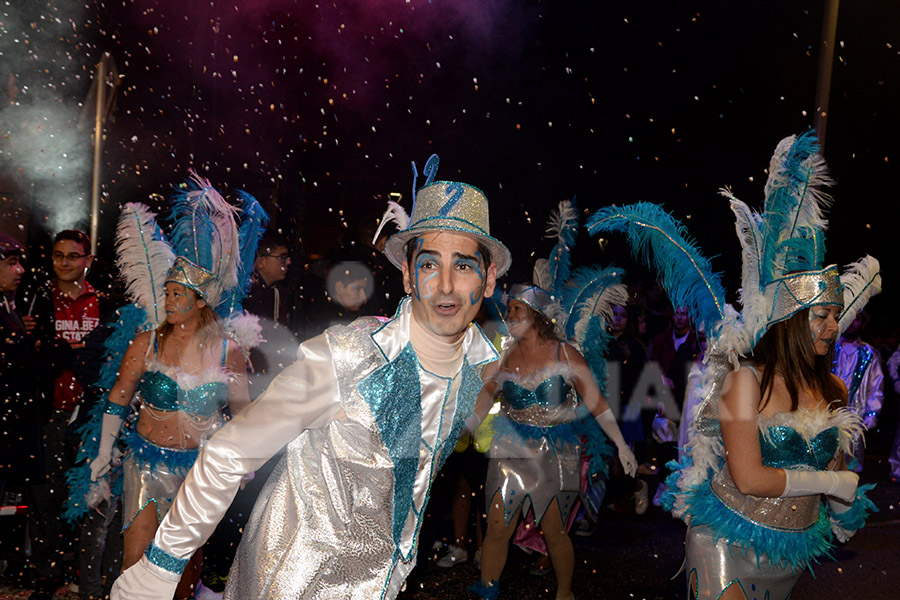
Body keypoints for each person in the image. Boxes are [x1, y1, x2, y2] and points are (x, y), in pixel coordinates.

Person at [109, 155, 512, 600]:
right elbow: (230, 452)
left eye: (465, 265)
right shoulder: (349, 357)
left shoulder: (479, 368)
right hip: (292, 583)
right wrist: (160, 566)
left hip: (382, 586)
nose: (447, 287)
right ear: (408, 275)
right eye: (431, 264)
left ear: (489, 279)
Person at [589, 133, 880, 599]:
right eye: (821, 316)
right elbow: (749, 477)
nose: (833, 327)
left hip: (792, 550)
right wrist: (833, 481)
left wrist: (845, 508)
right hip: (726, 542)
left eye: (835, 317)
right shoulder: (747, 381)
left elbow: (837, 467)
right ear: (789, 321)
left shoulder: (834, 388)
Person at [72, 175, 263, 600]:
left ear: (201, 302)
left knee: (185, 571)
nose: (171, 300)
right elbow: (118, 398)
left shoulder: (226, 350)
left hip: (200, 470)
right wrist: (102, 456)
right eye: (169, 292)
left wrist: (245, 461)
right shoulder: (147, 343)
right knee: (137, 562)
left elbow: (244, 410)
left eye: (180, 294)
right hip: (146, 465)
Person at [470, 285, 636, 600]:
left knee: (555, 532)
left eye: (517, 309)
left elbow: (597, 404)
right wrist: (464, 426)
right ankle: (488, 591)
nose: (510, 316)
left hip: (556, 452)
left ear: (538, 315)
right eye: (509, 311)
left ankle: (564, 593)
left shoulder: (565, 353)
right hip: (511, 449)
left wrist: (621, 445)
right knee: (496, 528)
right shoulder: (504, 353)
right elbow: (483, 396)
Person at [832, 310, 884, 471]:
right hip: (828, 413)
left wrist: (871, 414)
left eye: (858, 319)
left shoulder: (869, 354)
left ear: (863, 323)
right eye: (850, 317)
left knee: (852, 463)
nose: (853, 323)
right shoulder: (829, 348)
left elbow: (876, 386)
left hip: (856, 416)